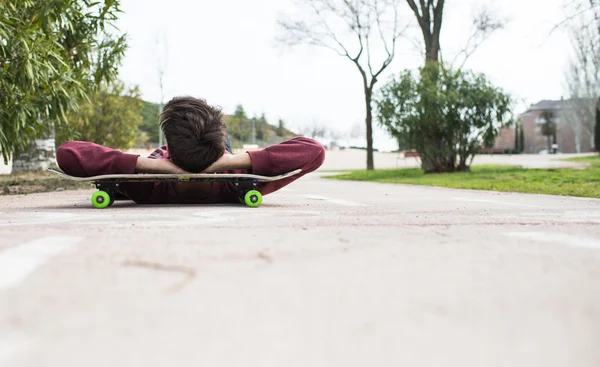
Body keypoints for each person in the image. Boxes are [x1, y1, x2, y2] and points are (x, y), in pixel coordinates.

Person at [56, 96, 325, 205]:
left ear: (168, 149)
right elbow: (314, 151)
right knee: (207, 130)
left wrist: (150, 165)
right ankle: (212, 141)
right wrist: (229, 162)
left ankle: (200, 142)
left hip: (186, 158)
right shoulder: (238, 180)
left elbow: (67, 153)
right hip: (222, 157)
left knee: (201, 131)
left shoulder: (148, 187)